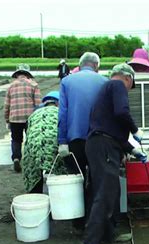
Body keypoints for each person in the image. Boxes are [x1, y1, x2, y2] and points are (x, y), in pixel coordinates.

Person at [80, 63, 146, 244]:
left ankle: (107, 236)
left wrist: (132, 149)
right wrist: (135, 130)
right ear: (128, 78)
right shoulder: (117, 85)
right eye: (131, 84)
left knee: (111, 190)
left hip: (102, 144)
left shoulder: (105, 92)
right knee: (105, 193)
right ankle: (90, 243)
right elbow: (122, 113)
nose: (128, 89)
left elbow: (112, 129)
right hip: (103, 146)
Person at [57, 52, 107, 231]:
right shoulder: (104, 82)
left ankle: (77, 221)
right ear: (96, 66)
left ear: (80, 64)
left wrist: (62, 141)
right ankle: (93, 221)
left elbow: (62, 113)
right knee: (95, 179)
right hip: (98, 138)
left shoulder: (67, 81)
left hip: (74, 138)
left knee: (77, 178)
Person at [22, 91, 68, 193]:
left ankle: (36, 195)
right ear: (58, 103)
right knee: (61, 167)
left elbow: (28, 132)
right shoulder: (61, 113)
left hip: (34, 145)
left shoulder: (34, 114)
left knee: (34, 167)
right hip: (53, 144)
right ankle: (60, 193)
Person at [5, 64, 41, 173]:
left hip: (15, 118)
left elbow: (7, 105)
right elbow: (38, 104)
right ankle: (31, 161)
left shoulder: (11, 86)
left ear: (17, 75)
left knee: (16, 139)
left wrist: (7, 119)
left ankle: (16, 158)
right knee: (31, 139)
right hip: (30, 117)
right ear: (27, 75)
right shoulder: (34, 85)